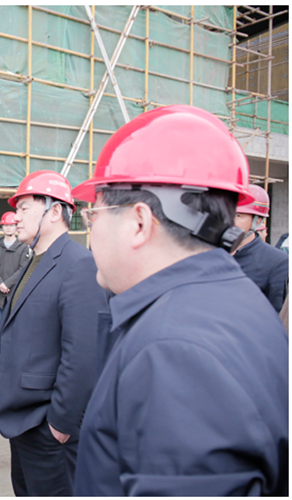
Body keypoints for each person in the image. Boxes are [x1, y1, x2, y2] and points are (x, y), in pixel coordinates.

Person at [71, 105, 288, 496]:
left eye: (94, 215)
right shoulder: (226, 300)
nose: (91, 231)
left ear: (139, 222)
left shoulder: (173, 352)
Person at [0, 171, 107, 496]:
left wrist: (60, 424)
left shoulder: (79, 265)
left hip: (48, 426)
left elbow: (82, 353)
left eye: (24, 208)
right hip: (22, 420)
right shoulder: (32, 261)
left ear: (54, 211)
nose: (15, 217)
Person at [232, 184, 288, 312]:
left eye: (238, 215)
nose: (228, 220)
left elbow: (278, 316)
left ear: (257, 221)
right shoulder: (207, 253)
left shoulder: (278, 263)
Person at [0, 211, 30, 361]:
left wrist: (7, 284)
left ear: (16, 227)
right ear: (2, 227)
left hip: (14, 292)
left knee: (15, 323)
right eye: (6, 225)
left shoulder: (23, 248)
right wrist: (0, 284)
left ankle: (13, 350)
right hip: (0, 292)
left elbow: (23, 268)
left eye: (11, 225)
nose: (8, 228)